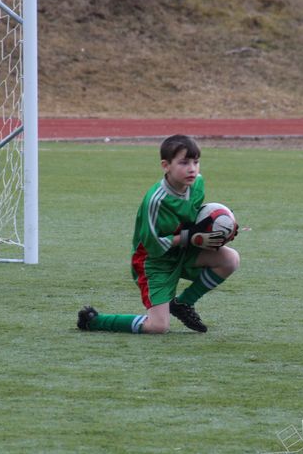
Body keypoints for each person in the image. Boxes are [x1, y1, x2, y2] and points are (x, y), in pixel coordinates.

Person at [77, 134, 239, 334]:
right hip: (154, 262)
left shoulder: (197, 184)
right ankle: (94, 321)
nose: (192, 168)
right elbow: (152, 244)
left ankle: (183, 304)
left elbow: (196, 217)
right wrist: (192, 238)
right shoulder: (156, 201)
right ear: (166, 165)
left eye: (196, 162)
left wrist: (223, 227)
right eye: (184, 162)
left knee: (230, 259)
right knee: (158, 327)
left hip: (183, 251)